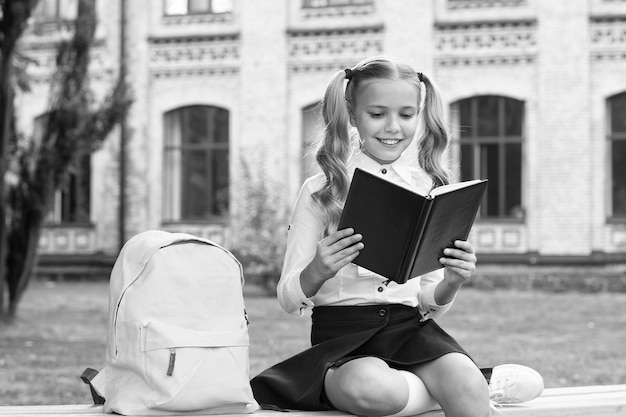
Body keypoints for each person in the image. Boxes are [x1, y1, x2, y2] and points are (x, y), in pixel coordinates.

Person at [250, 56, 543, 417]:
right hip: (345, 340)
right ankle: (475, 386)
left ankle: (469, 385)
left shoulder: (430, 187)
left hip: (410, 331)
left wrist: (452, 281)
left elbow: (427, 301)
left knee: (476, 383)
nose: (393, 127)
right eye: (377, 114)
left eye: (406, 115)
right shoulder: (321, 191)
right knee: (376, 392)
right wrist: (318, 270)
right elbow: (287, 296)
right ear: (352, 114)